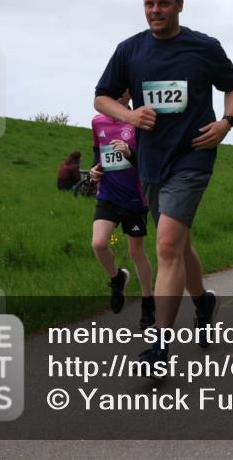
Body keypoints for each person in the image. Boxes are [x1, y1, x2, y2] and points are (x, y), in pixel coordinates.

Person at [95, 0, 233, 368]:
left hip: (193, 156)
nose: (155, 11)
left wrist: (226, 123)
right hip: (150, 161)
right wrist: (129, 114)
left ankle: (159, 347)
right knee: (178, 246)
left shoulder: (203, 47)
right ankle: (203, 302)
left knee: (164, 247)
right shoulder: (130, 50)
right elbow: (101, 97)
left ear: (179, 4)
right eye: (148, 4)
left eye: (162, 4)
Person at [87, 89, 155, 328]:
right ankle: (117, 279)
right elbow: (98, 155)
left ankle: (148, 302)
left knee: (137, 252)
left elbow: (148, 160)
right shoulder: (97, 122)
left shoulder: (138, 120)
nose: (115, 97)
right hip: (108, 194)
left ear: (128, 95)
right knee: (98, 244)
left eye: (121, 92)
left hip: (135, 197)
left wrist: (130, 153)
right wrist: (95, 170)